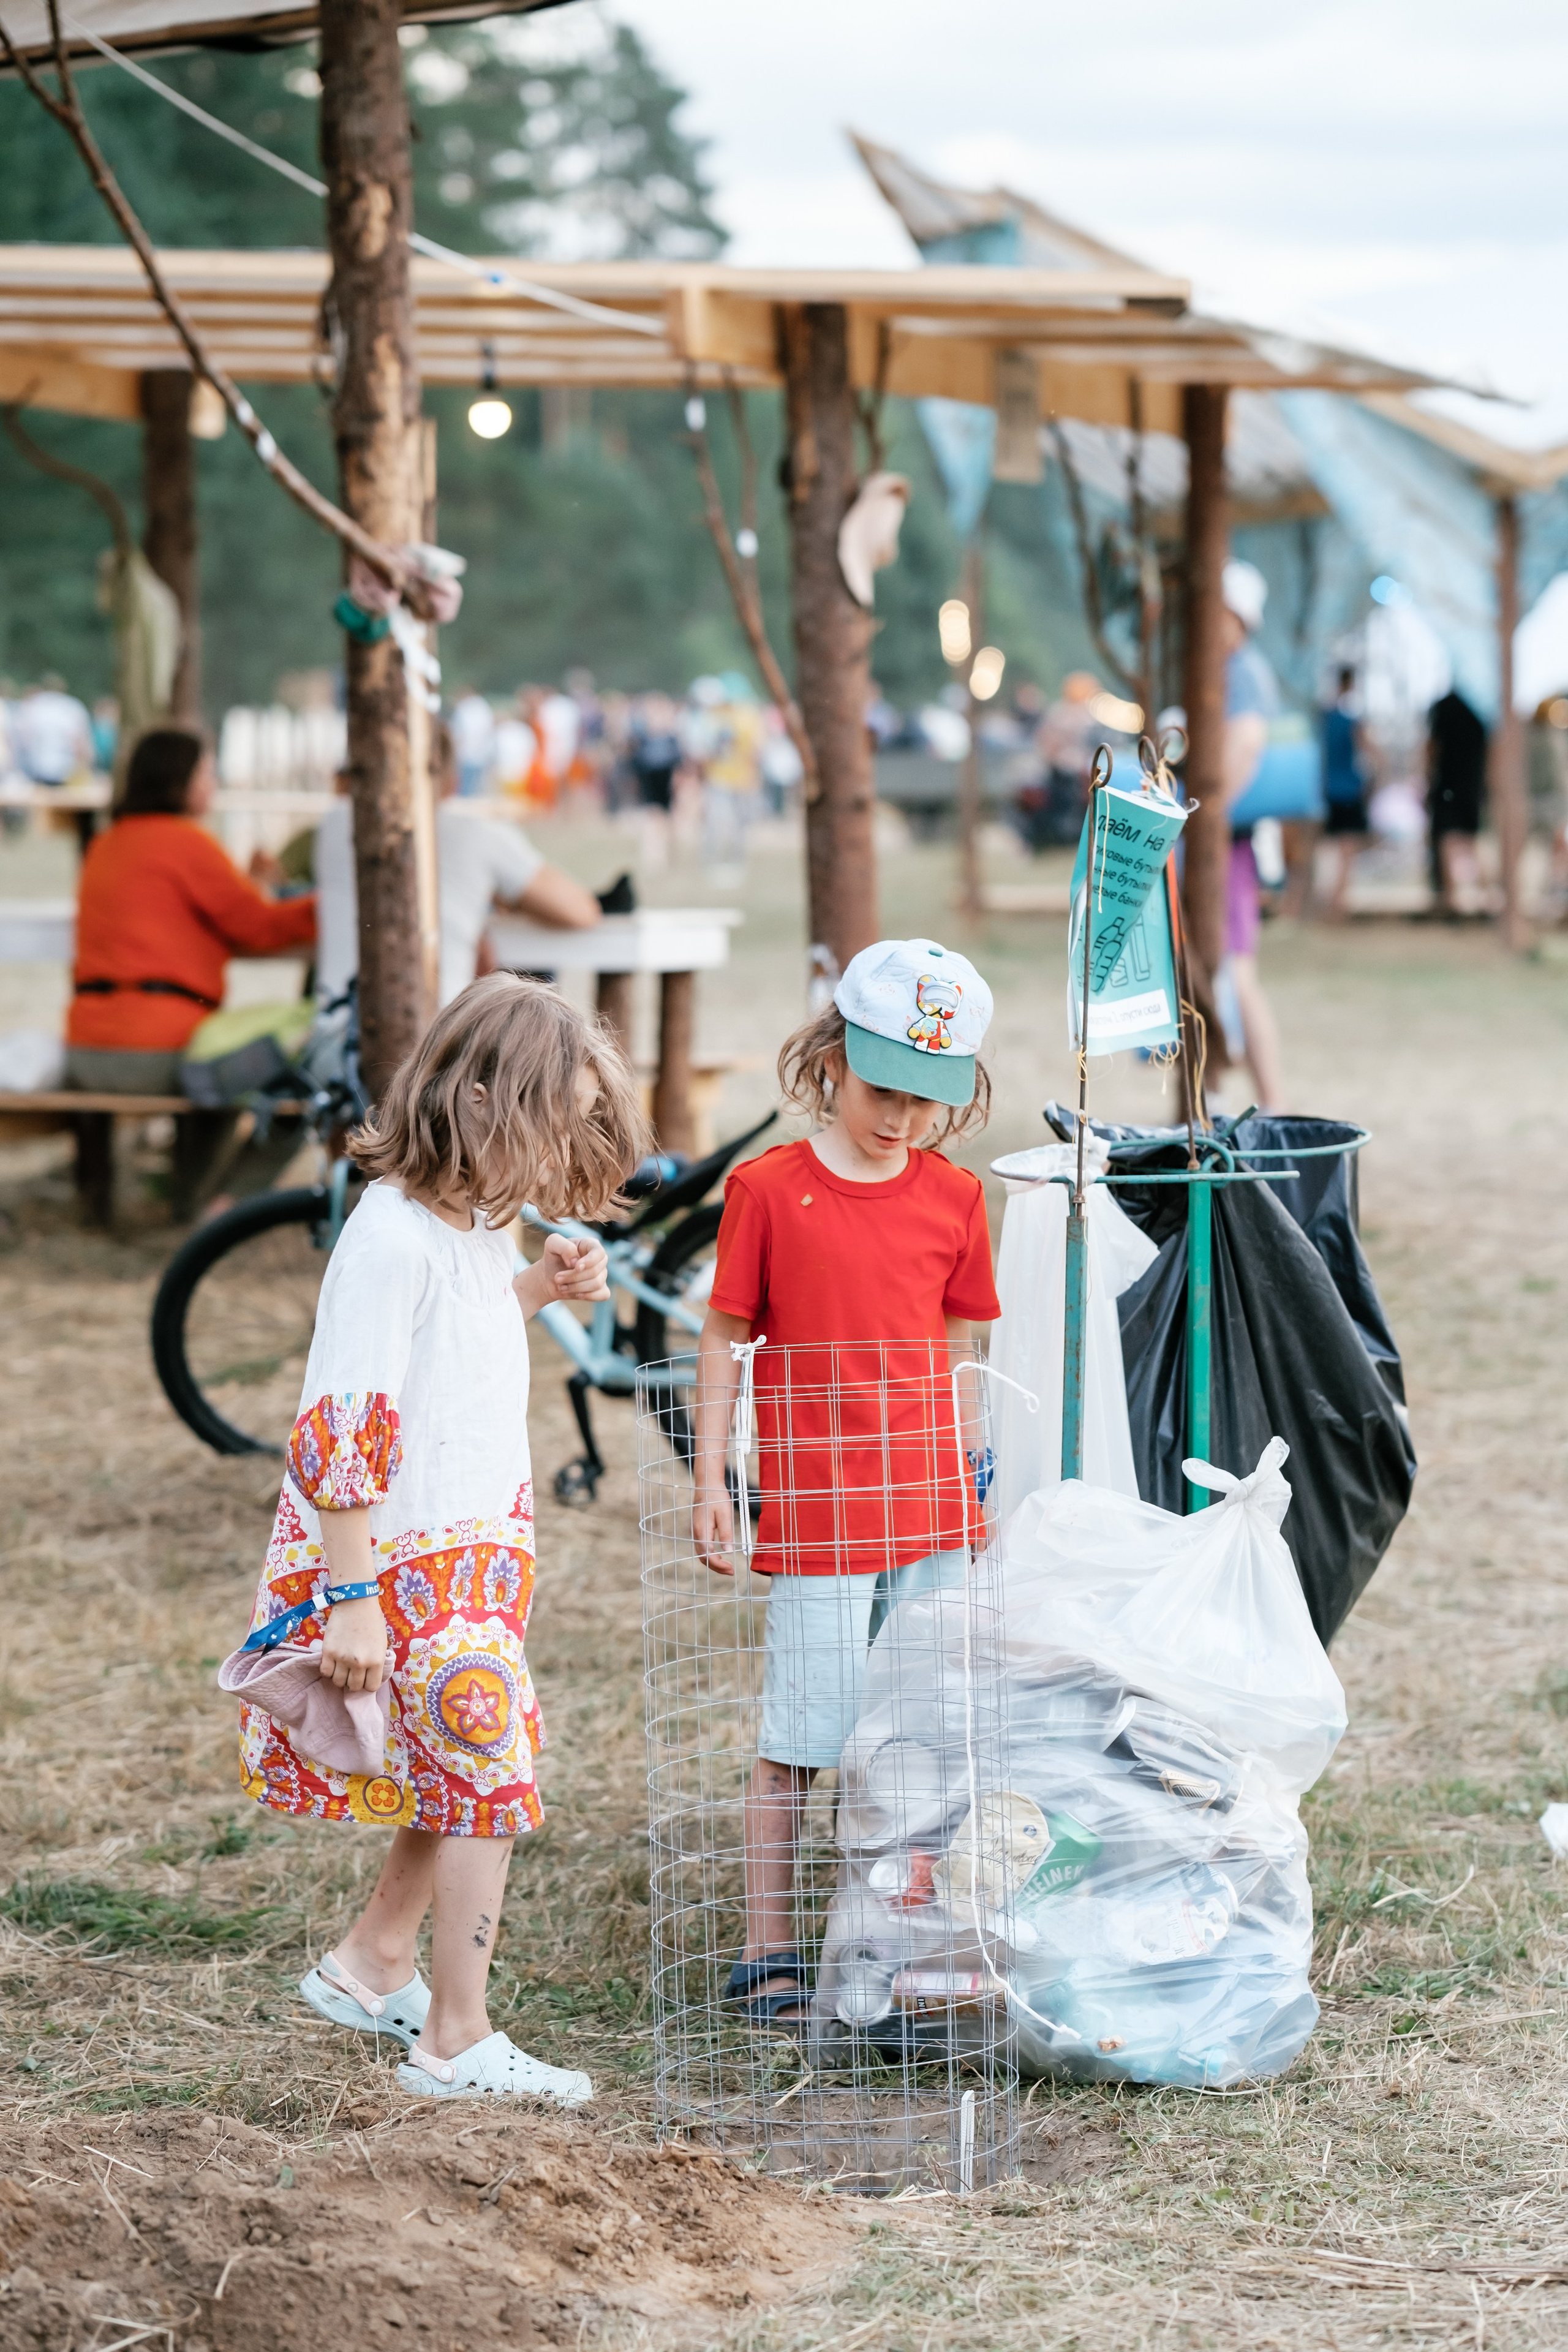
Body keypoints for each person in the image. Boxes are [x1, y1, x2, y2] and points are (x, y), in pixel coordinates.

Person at [238, 974, 647, 2100]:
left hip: (474, 1549)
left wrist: (533, 1283)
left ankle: (372, 1964)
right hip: (403, 1563)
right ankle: (457, 2037)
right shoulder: (388, 1242)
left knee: (453, 1773)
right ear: (475, 1104)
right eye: (544, 1129)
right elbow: (342, 1425)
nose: (555, 1156)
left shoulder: (469, 1222)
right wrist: (352, 1597)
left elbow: (457, 1337)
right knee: (486, 1765)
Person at [690, 938, 1000, 2025]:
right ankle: (766, 1946)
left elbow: (962, 1356)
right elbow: (724, 1338)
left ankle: (890, 1934)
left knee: (918, 1739)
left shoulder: (955, 1199)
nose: (902, 1119)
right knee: (800, 1739)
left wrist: (977, 1486)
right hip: (819, 1517)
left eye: (928, 1102)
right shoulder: (768, 1193)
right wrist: (714, 1478)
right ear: (831, 1058)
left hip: (926, 1513)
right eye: (884, 1090)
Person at [67, 726, 317, 1215]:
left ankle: (152, 1197)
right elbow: (259, 926)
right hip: (154, 1051)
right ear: (179, 780)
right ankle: (209, 1203)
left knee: (215, 1061)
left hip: (85, 1046)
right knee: (265, 1076)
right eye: (206, 771)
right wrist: (333, 902)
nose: (214, 781)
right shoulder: (188, 844)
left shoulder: (106, 844)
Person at [312, 722, 601, 1011]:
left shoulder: (333, 825)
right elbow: (580, 910)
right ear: (452, 783)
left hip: (335, 1032)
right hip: (437, 1037)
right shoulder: (477, 834)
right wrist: (496, 895)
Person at [1219, 560, 1286, 1112]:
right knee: (1220, 973)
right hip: (1225, 842)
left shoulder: (1241, 672)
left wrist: (1205, 811)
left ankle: (1273, 1103)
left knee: (1237, 973)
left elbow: (1247, 742)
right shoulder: (1234, 669)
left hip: (1226, 845)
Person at [1425, 688, 1488, 915]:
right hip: (1473, 785)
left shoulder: (1444, 707)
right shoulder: (1483, 708)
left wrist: (1427, 778)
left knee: (1449, 839)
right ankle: (1480, 896)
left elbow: (1431, 747)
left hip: (1448, 783)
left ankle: (1452, 899)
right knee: (1469, 840)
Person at [1319, 663, 1370, 920]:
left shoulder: (1324, 716)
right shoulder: (1352, 718)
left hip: (1327, 789)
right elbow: (1368, 748)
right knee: (1347, 850)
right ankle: (1338, 905)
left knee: (1328, 849)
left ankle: (1328, 902)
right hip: (1349, 790)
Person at [13, 674, 93, 788]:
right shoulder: (72, 707)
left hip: (36, 770)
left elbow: (23, 739)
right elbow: (80, 742)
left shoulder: (33, 705)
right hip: (66, 769)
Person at [449, 688, 496, 799]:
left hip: (466, 754)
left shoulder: (465, 708)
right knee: (474, 789)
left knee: (464, 789)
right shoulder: (483, 707)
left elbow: (459, 732)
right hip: (480, 753)